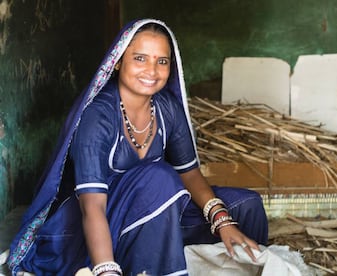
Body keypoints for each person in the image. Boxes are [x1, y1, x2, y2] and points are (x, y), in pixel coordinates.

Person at [7, 18, 268, 276]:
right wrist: (105, 269)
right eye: (140, 58)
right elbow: (92, 206)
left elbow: (189, 174)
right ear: (119, 62)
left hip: (153, 215)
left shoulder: (167, 108)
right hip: (91, 231)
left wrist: (222, 220)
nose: (152, 70)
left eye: (161, 61)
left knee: (246, 205)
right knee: (159, 178)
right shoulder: (98, 117)